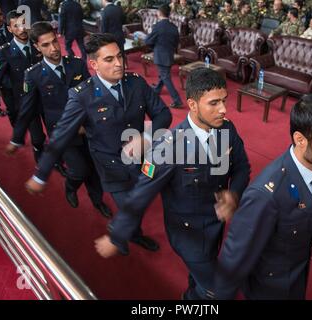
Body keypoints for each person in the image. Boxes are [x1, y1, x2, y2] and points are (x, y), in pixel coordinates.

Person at [94, 68, 251, 300]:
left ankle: (191, 294)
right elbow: (140, 194)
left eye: (224, 101)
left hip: (217, 228)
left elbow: (241, 167)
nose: (223, 109)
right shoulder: (169, 148)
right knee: (218, 292)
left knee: (199, 281)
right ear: (193, 104)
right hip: (189, 236)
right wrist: (117, 235)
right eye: (214, 103)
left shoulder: (226, 129)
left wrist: (234, 194)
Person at [23, 33, 172, 252]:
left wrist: (147, 137)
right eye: (109, 59)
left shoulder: (136, 83)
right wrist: (40, 174)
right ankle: (128, 236)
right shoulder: (81, 95)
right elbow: (61, 135)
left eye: (119, 56)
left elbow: (163, 115)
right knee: (128, 207)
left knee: (139, 203)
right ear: (94, 64)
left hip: (142, 161)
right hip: (111, 165)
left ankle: (128, 233)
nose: (119, 63)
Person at [211, 94, 312, 300]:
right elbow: (235, 258)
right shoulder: (266, 195)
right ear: (300, 140)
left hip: (297, 274)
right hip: (268, 288)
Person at [5, 22, 109, 217]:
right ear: (36, 47)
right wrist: (16, 138)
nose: (53, 49)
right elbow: (27, 111)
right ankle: (71, 186)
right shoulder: (33, 75)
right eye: (45, 45)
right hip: (62, 134)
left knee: (94, 169)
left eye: (54, 42)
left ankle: (98, 201)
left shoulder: (76, 63)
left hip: (87, 129)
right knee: (79, 170)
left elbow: (92, 95)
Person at [0, 11, 46, 163]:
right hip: (25, 100)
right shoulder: (4, 51)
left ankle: (56, 161)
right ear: (9, 29)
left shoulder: (39, 45)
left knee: (55, 131)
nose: (22, 29)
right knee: (37, 137)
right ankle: (40, 160)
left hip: (46, 97)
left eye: (24, 25)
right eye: (16, 26)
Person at [145, 4, 183, 109]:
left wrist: (153, 45)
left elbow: (148, 41)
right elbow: (176, 42)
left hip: (160, 56)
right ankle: (157, 89)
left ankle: (177, 100)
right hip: (170, 55)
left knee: (166, 77)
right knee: (164, 74)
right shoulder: (174, 27)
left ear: (159, 13)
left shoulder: (157, 26)